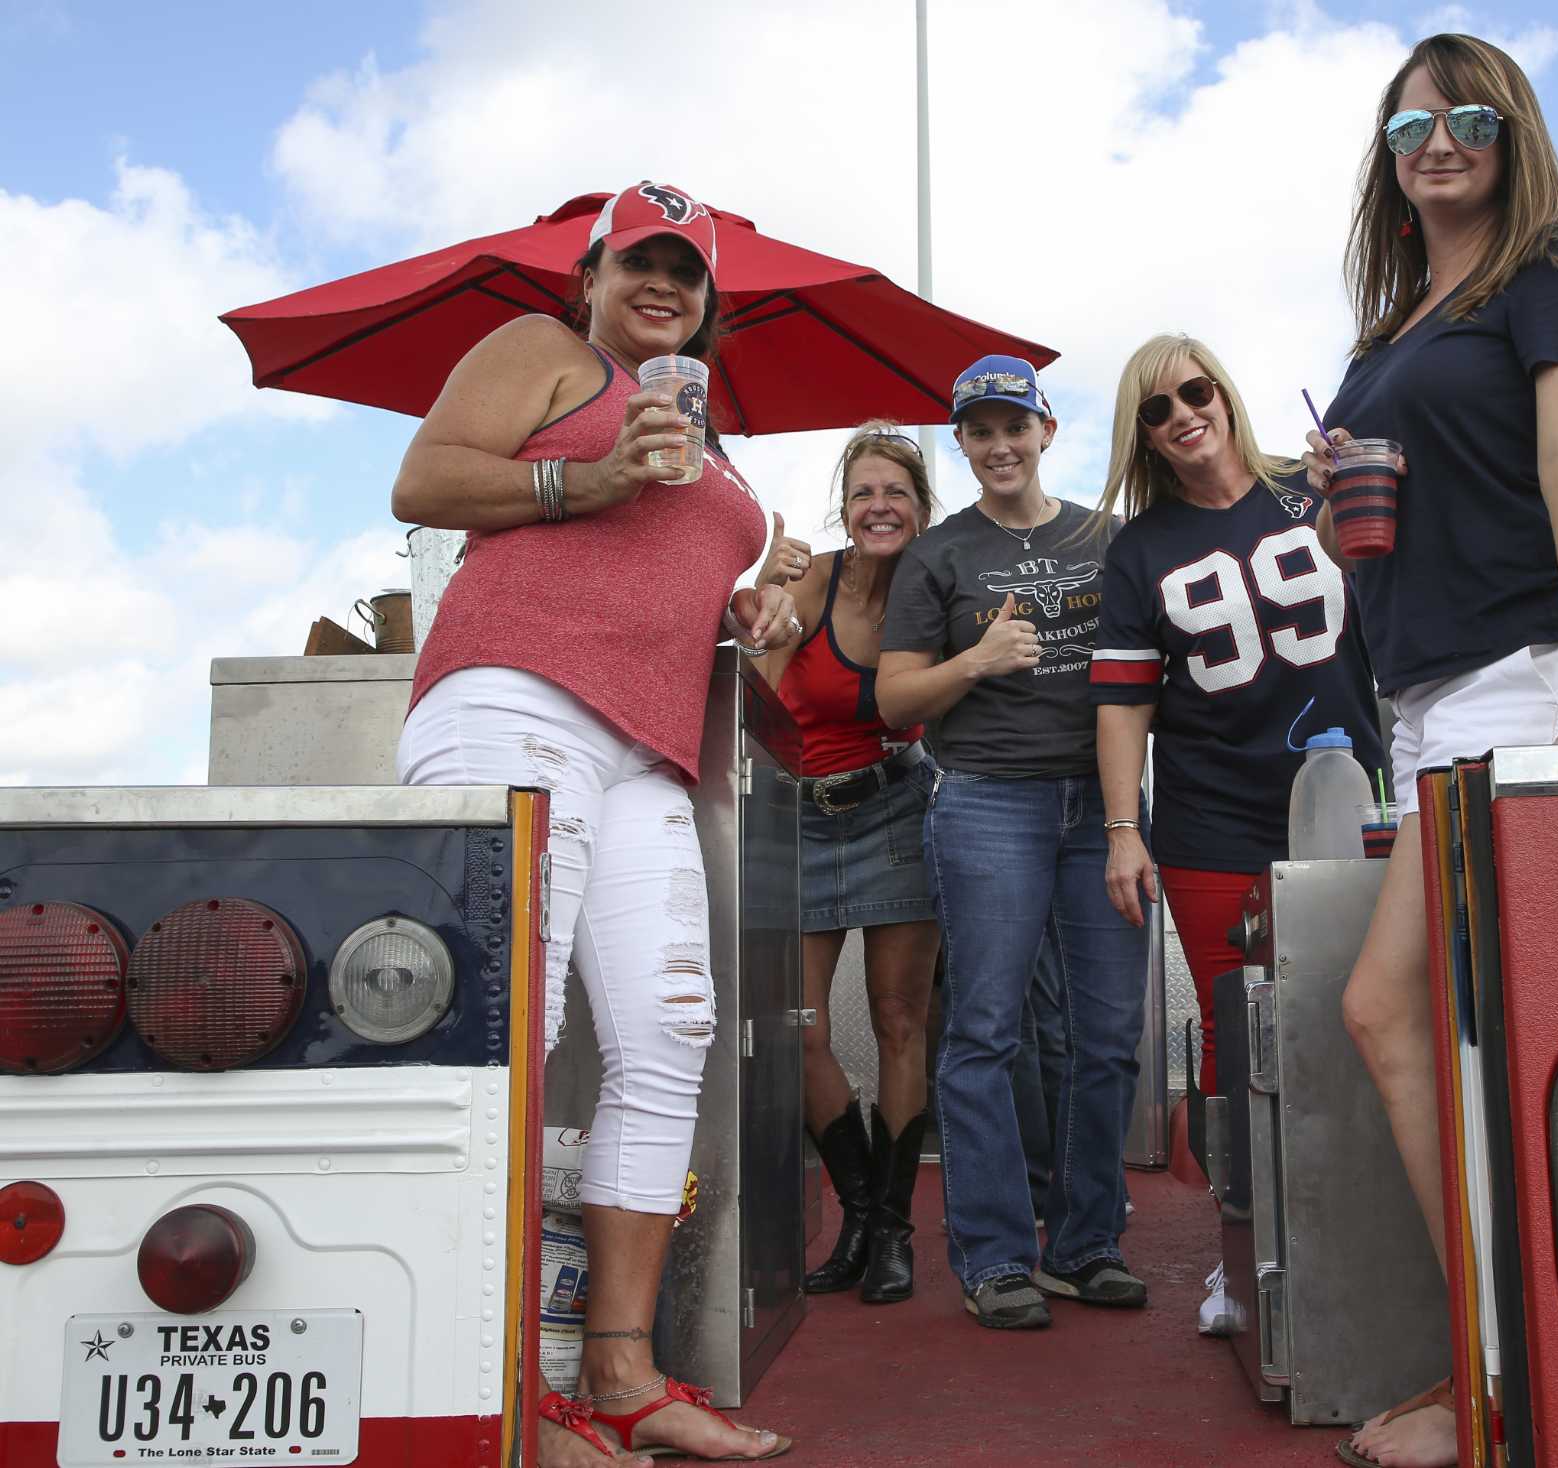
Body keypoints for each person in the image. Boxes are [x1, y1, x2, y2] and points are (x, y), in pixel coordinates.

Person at [1305, 39, 1558, 1468]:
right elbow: (1394, 523)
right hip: (1425, 704)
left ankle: (1511, 1380)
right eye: (1414, 121)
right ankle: (1507, 1365)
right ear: (1389, 154)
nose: (1440, 139)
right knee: (1442, 1034)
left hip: (1526, 685)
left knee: (1404, 1019)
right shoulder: (1390, 332)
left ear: (1509, 133)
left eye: (1469, 116)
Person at [392, 181, 796, 1467]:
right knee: (507, 1027)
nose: (662, 284)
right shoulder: (545, 353)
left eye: (687, 270)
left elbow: (675, 564)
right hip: (515, 694)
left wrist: (750, 612)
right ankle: (498, 1380)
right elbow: (423, 481)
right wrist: (585, 475)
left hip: (648, 746)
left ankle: (618, 1371)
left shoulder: (704, 423)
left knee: (672, 1032)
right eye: (639, 262)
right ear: (590, 275)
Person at [1089, 332, 1387, 1335]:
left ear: (1223, 391)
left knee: (1369, 1008)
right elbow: (1124, 700)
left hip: (1347, 791)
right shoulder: (1137, 549)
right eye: (1154, 408)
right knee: (1234, 1030)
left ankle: (1368, 1233)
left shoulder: (1308, 487)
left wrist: (1351, 489)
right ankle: (1243, 1245)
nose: (1181, 412)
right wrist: (1122, 828)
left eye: (1193, 390)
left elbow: (1389, 587)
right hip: (1213, 814)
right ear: (1142, 437)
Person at [876, 355, 1150, 1329]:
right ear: (961, 444)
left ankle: (1082, 1245)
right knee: (986, 1029)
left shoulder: (1105, 536)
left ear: (1045, 431)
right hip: (988, 801)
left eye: (1012, 427)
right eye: (977, 432)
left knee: (1107, 1035)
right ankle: (994, 1257)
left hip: (1105, 810)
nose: (998, 446)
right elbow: (893, 695)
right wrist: (975, 660)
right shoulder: (938, 554)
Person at [752, 422, 942, 1304]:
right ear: (845, 506)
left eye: (896, 492)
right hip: (801, 820)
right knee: (801, 1029)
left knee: (902, 1021)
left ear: (920, 508)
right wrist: (761, 597)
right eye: (864, 492)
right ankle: (858, 1209)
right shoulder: (811, 579)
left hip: (900, 807)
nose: (879, 507)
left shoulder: (938, 586)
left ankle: (892, 1234)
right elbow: (755, 682)